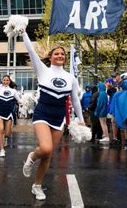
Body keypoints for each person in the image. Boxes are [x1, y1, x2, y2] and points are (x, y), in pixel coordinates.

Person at [20, 31, 84, 200]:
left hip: (58, 118)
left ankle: (37, 186)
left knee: (48, 155)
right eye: (57, 53)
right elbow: (32, 52)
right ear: (50, 57)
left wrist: (82, 120)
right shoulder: (43, 70)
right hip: (42, 114)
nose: (60, 55)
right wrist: (23, 32)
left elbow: (75, 101)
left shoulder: (70, 77)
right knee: (46, 148)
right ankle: (32, 157)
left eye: (63, 54)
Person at [0, 75, 21, 153]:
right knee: (1, 129)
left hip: (9, 113)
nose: (5, 81)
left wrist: (24, 102)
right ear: (2, 81)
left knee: (7, 134)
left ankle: (5, 138)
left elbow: (19, 100)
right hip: (0, 112)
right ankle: (2, 150)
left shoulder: (13, 91)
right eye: (4, 80)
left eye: (7, 80)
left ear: (9, 81)